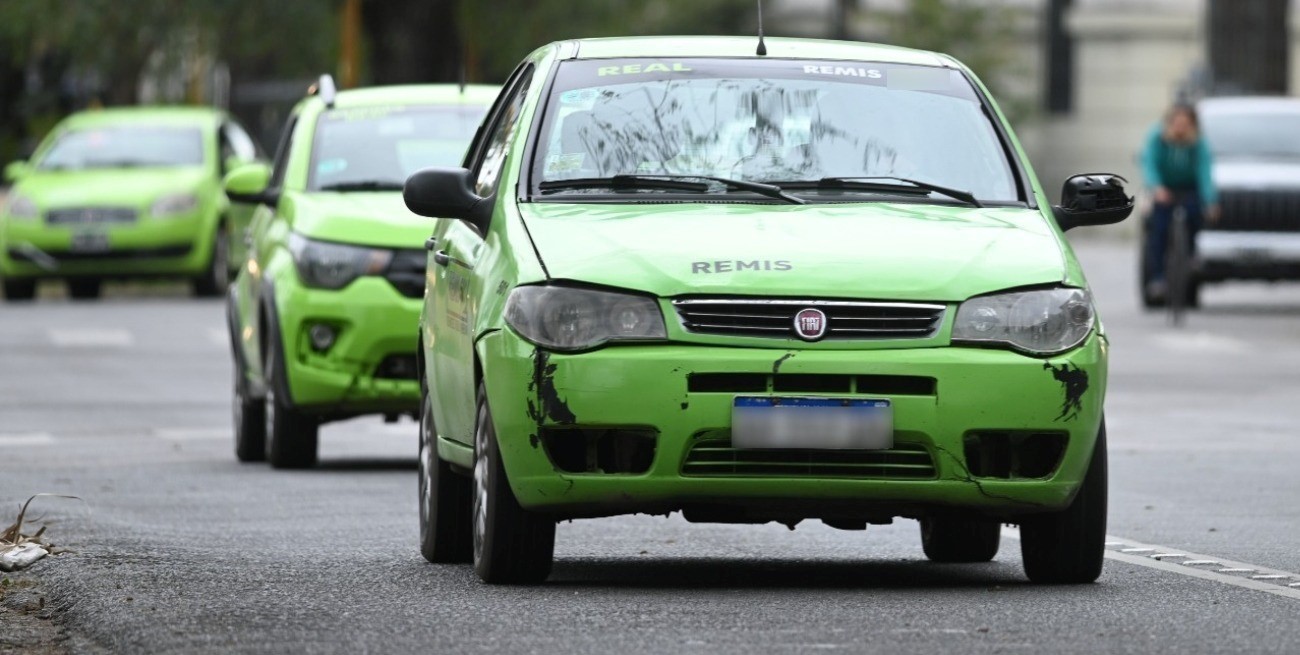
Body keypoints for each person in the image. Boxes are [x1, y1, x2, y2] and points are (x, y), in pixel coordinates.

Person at [1140, 103, 1220, 300]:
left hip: (1189, 188)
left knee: (1195, 213)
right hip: (1164, 188)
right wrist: (1157, 187)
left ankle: (1191, 254)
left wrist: (1210, 201)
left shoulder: (1198, 143)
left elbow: (1204, 172)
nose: (1180, 128)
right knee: (1158, 229)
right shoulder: (1157, 138)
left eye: (1185, 124)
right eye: (1177, 123)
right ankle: (1158, 278)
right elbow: (1149, 163)